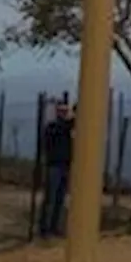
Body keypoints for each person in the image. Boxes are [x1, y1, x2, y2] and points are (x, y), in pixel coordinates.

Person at [39, 96, 75, 238]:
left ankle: (54, 227)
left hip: (65, 166)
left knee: (59, 199)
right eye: (61, 111)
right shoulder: (52, 127)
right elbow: (65, 126)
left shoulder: (65, 129)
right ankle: (44, 228)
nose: (64, 114)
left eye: (65, 111)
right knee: (50, 198)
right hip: (54, 166)